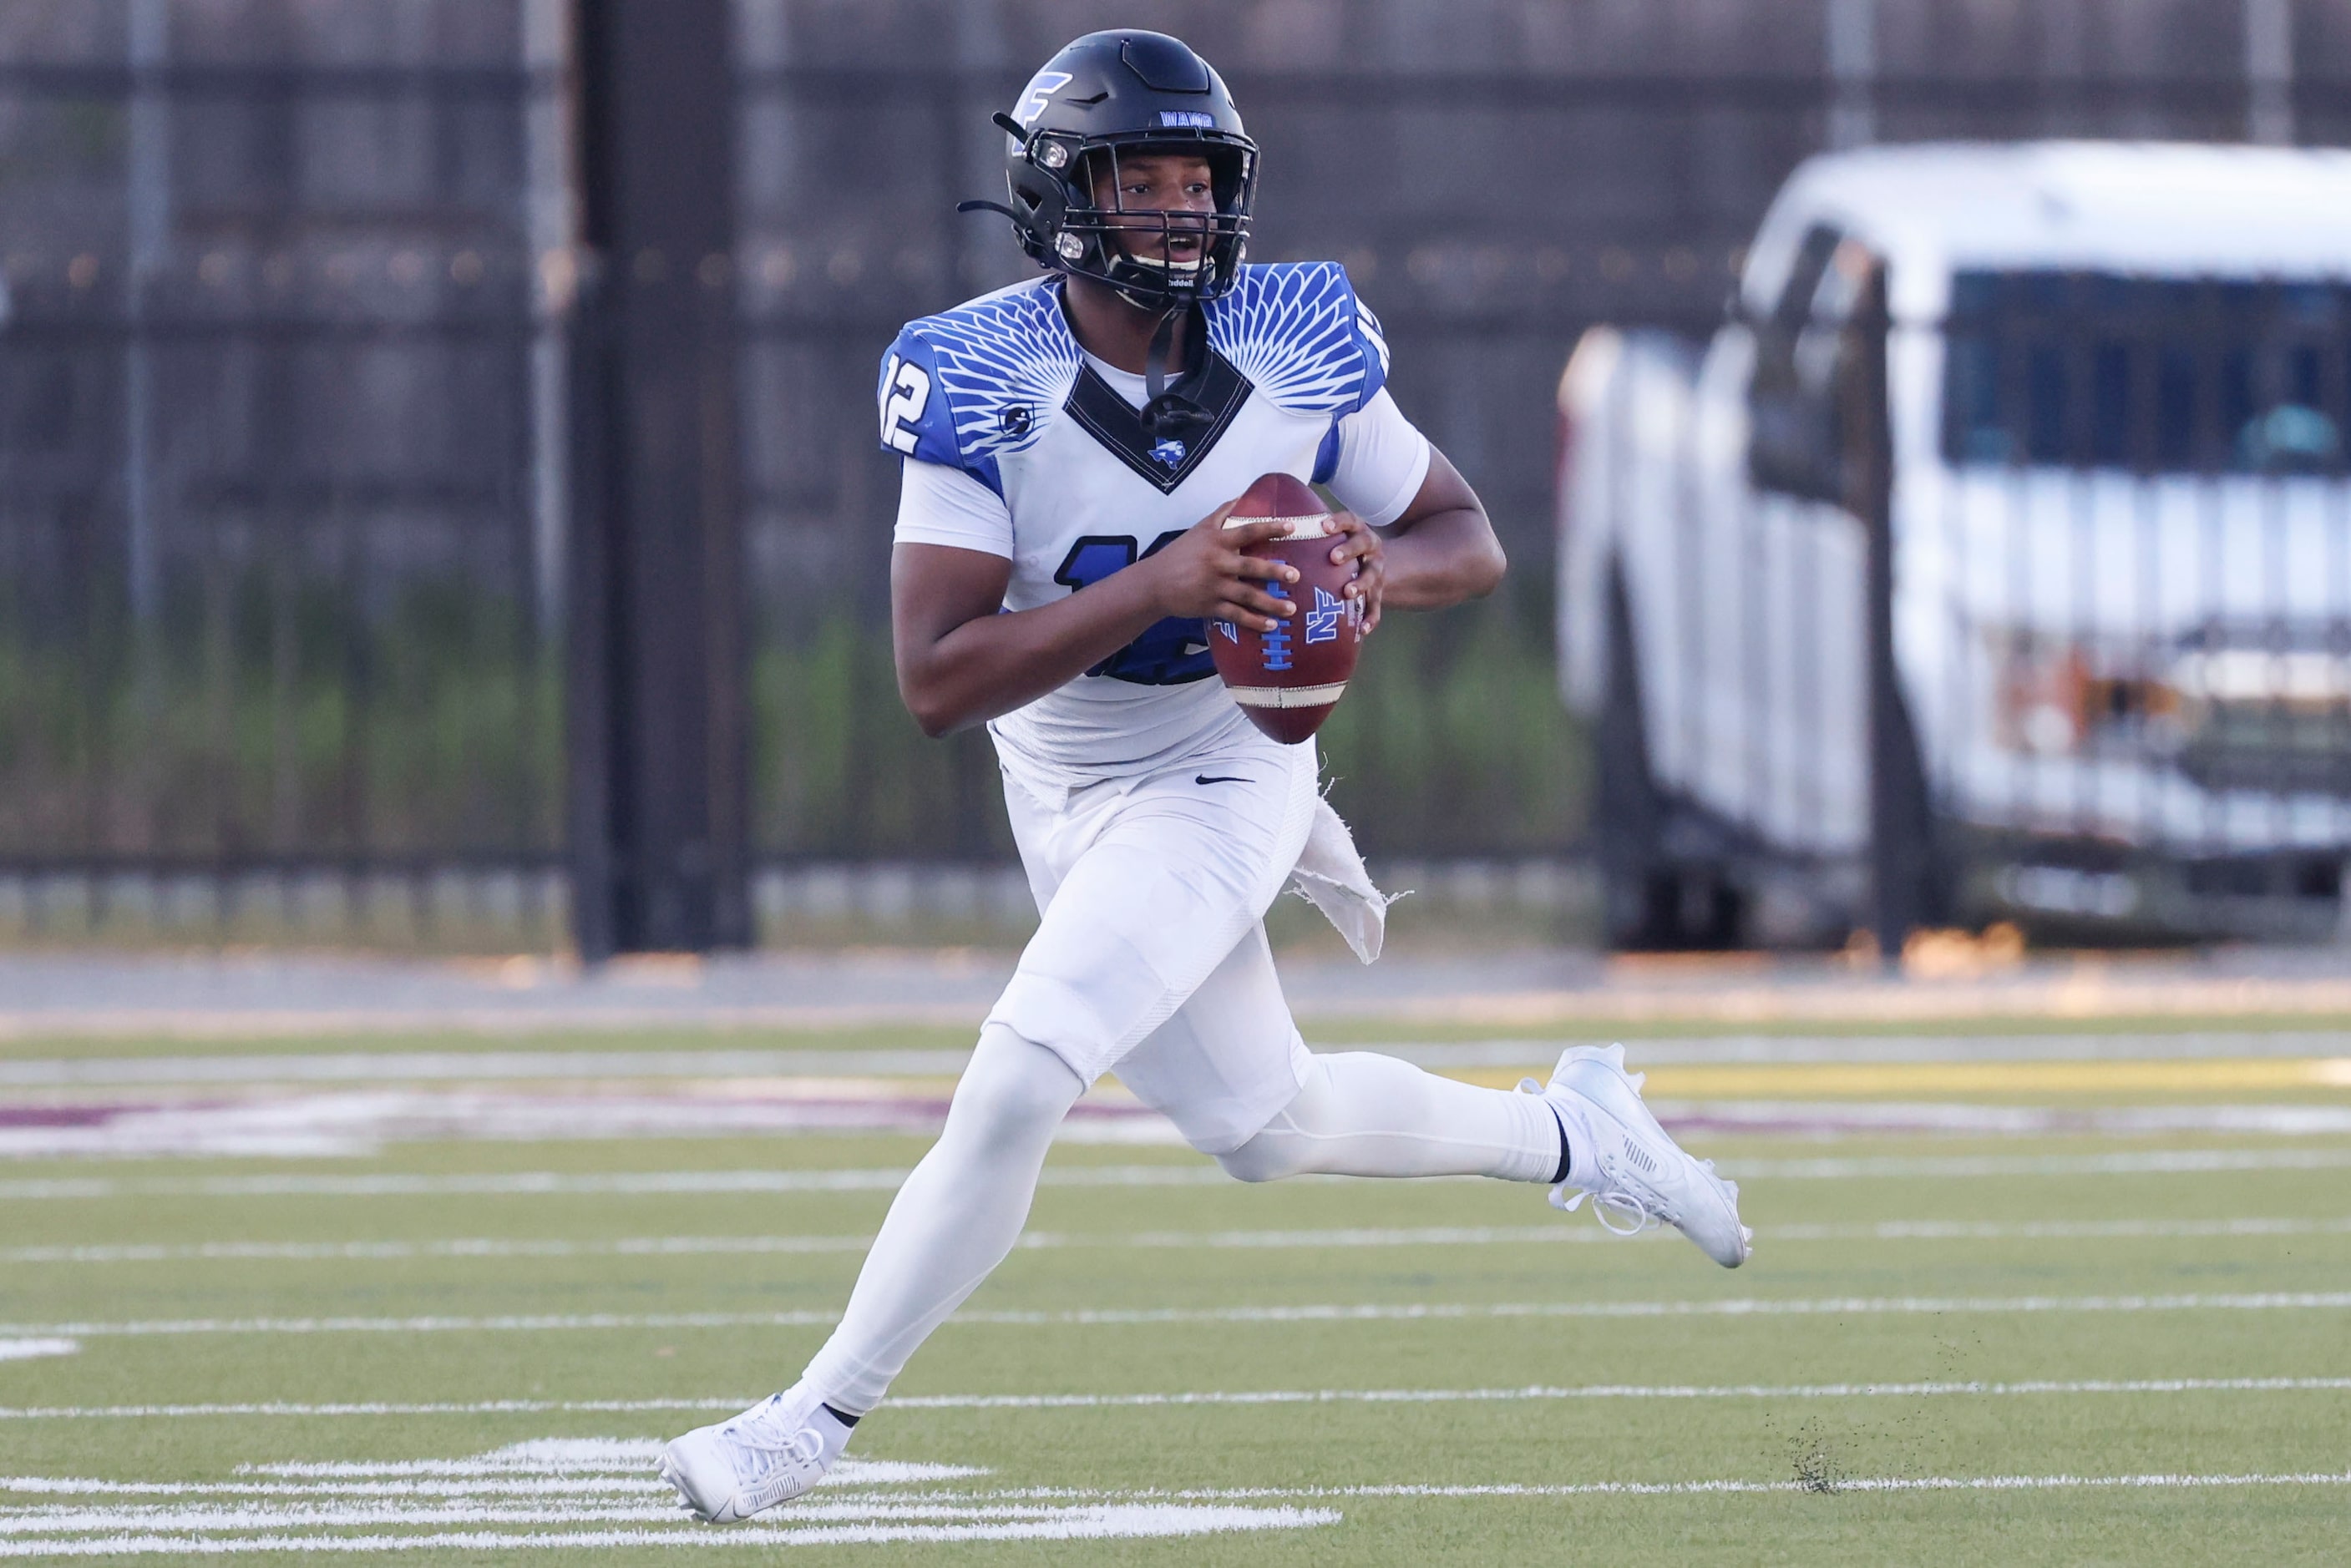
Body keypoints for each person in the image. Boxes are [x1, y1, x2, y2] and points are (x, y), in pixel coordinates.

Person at [660, 28, 1749, 1525]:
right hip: (1062, 782)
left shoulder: (1294, 337)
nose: (1177, 211)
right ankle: (1582, 1130)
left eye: (1196, 179)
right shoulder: (980, 370)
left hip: (1230, 771)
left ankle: (808, 1419)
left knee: (1021, 1072)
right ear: (1059, 197)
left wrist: (1370, 562)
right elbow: (938, 676)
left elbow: (1467, 536)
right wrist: (1167, 583)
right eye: (1140, 179)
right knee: (1269, 1124)